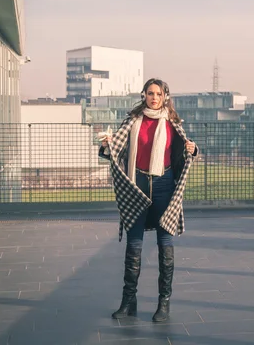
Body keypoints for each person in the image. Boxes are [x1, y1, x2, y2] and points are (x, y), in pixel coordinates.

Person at [99, 78, 198, 323]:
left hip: (165, 184)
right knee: (134, 244)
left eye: (159, 94)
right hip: (137, 184)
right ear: (144, 95)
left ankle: (163, 304)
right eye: (150, 93)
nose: (155, 97)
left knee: (165, 243)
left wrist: (193, 149)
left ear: (165, 96)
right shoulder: (132, 121)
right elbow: (116, 150)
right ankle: (128, 301)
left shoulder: (173, 123)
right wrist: (105, 147)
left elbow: (187, 151)